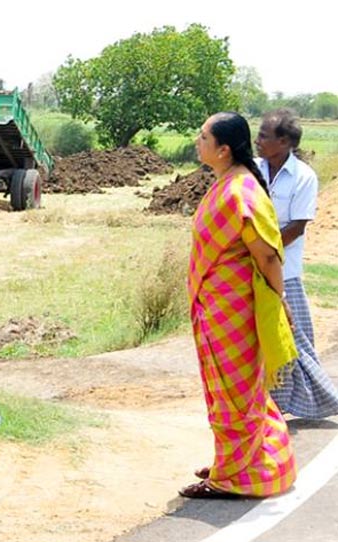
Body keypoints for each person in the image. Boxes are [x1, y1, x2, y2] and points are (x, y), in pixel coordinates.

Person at [180, 111, 298, 499]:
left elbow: (266, 257)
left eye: (203, 137)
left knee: (236, 394)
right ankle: (232, 460)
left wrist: (280, 304)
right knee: (233, 391)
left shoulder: (240, 192)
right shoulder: (227, 183)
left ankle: (233, 477)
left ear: (224, 149)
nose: (198, 141)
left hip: (234, 312)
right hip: (216, 309)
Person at [255, 108, 338, 418]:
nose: (258, 140)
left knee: (295, 342)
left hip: (284, 272)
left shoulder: (303, 177)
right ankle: (266, 405)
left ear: (285, 141)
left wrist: (260, 247)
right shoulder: (253, 170)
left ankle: (317, 400)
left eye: (264, 135)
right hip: (253, 269)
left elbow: (296, 228)